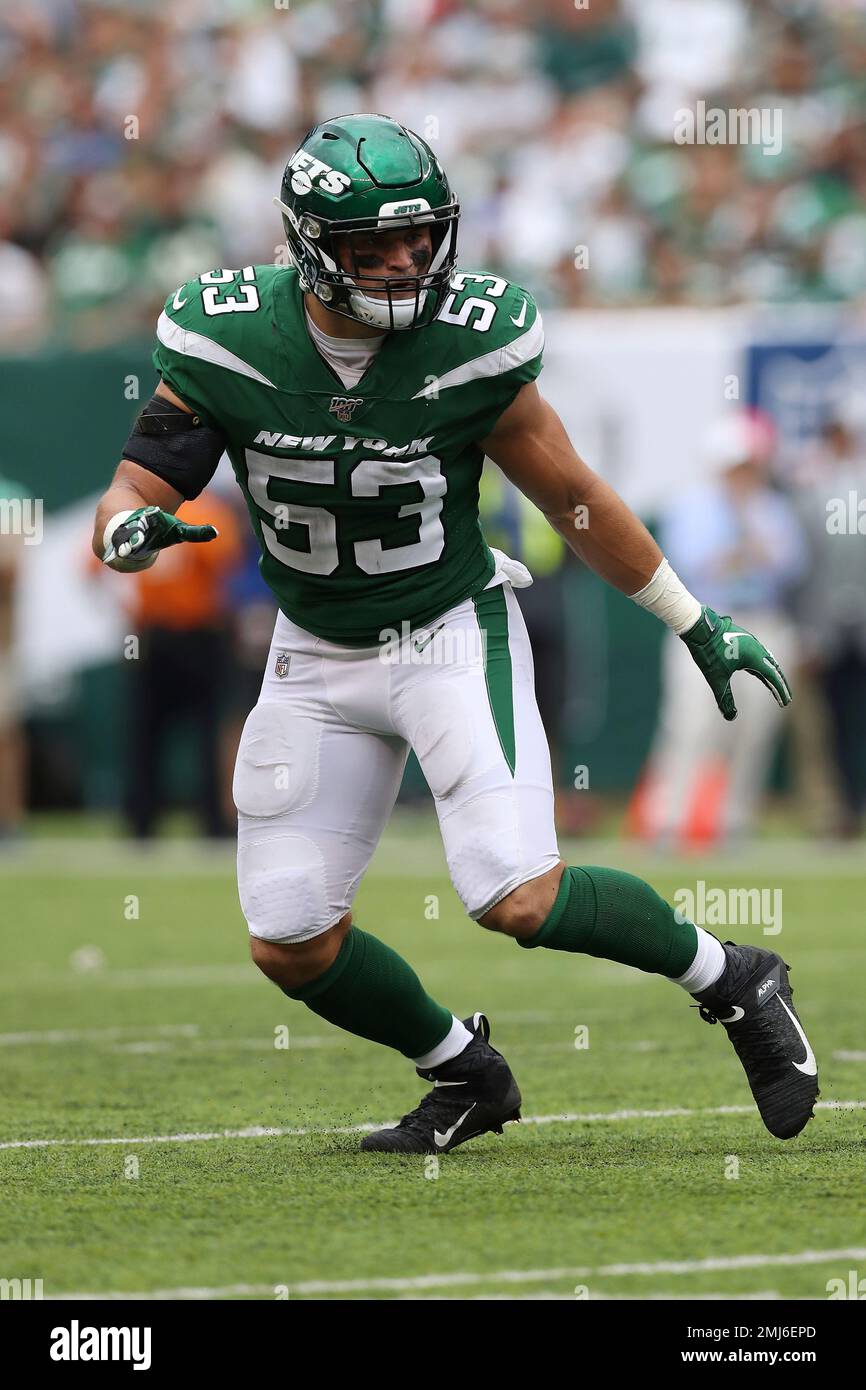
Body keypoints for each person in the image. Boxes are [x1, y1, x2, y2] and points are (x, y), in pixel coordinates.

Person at [92, 114, 817, 1152]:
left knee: (516, 894)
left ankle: (732, 976)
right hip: (312, 652)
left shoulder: (470, 339)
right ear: (307, 246)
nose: (401, 264)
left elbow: (569, 495)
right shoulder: (229, 336)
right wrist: (127, 532)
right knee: (289, 939)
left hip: (445, 628)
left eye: (416, 239)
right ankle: (462, 1068)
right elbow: (133, 487)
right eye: (369, 248)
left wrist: (690, 619)